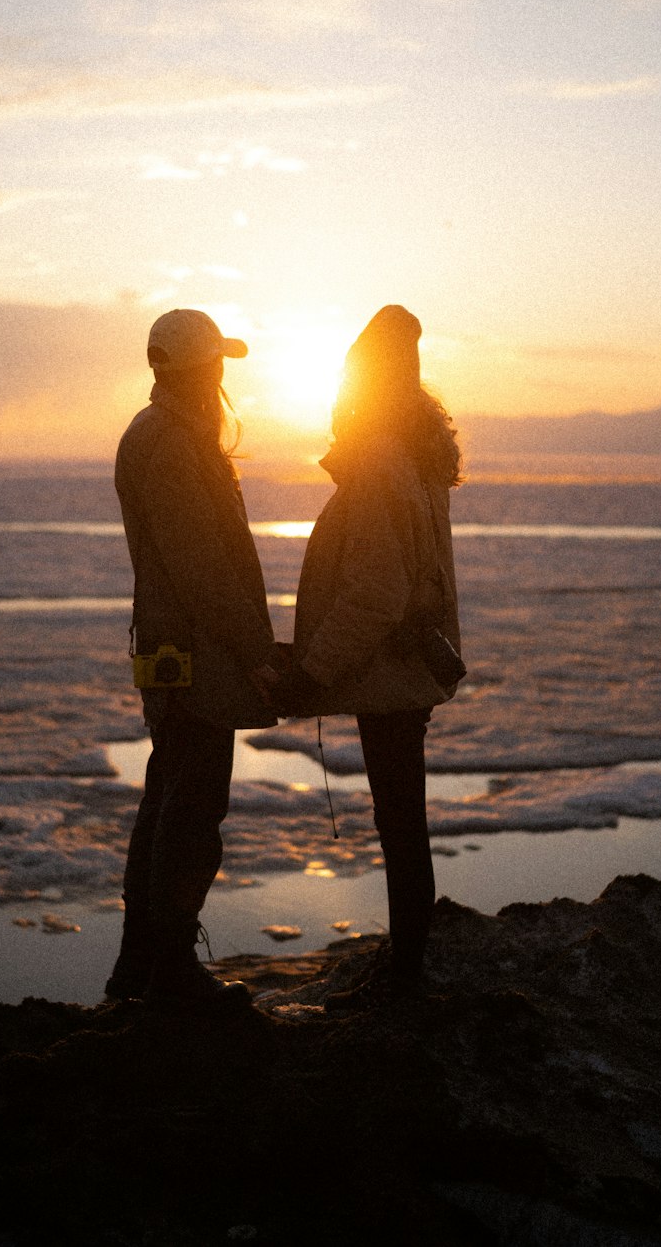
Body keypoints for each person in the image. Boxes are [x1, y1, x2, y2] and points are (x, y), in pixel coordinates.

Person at [275, 305, 463, 1006]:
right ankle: (407, 963)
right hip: (404, 672)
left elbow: (377, 592)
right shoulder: (417, 452)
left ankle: (407, 976)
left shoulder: (383, 457)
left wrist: (311, 672)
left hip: (390, 673)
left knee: (401, 822)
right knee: (403, 820)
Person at [106, 309, 279, 1009]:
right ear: (198, 370)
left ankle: (139, 966)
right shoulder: (173, 445)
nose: (222, 377)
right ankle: (167, 968)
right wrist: (257, 654)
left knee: (169, 796)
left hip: (171, 648)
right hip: (192, 656)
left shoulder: (161, 434)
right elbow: (202, 569)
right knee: (191, 806)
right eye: (216, 365)